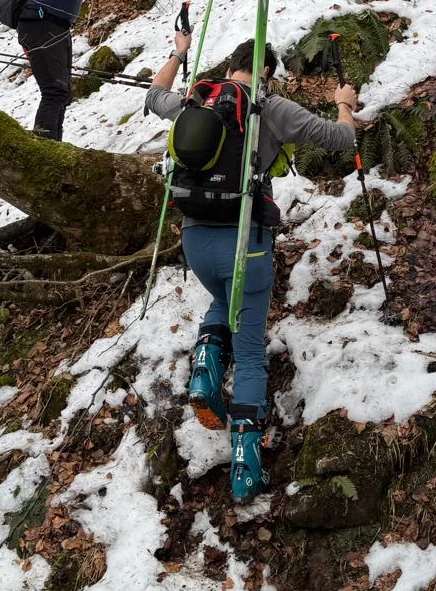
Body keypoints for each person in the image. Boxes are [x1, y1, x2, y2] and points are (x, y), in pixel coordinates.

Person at [144, 32, 358, 501]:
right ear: (265, 73)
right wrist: (344, 102)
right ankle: (246, 468)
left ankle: (204, 367)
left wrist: (179, 53)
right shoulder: (271, 110)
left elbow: (152, 95)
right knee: (252, 353)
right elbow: (343, 138)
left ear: (230, 67)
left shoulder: (196, 100)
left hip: (195, 237)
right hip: (248, 242)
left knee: (222, 299)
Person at [17, 0, 112, 139]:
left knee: (62, 92)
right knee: (54, 91)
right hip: (41, 23)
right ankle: (44, 149)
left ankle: (54, 146)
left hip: (56, 25)